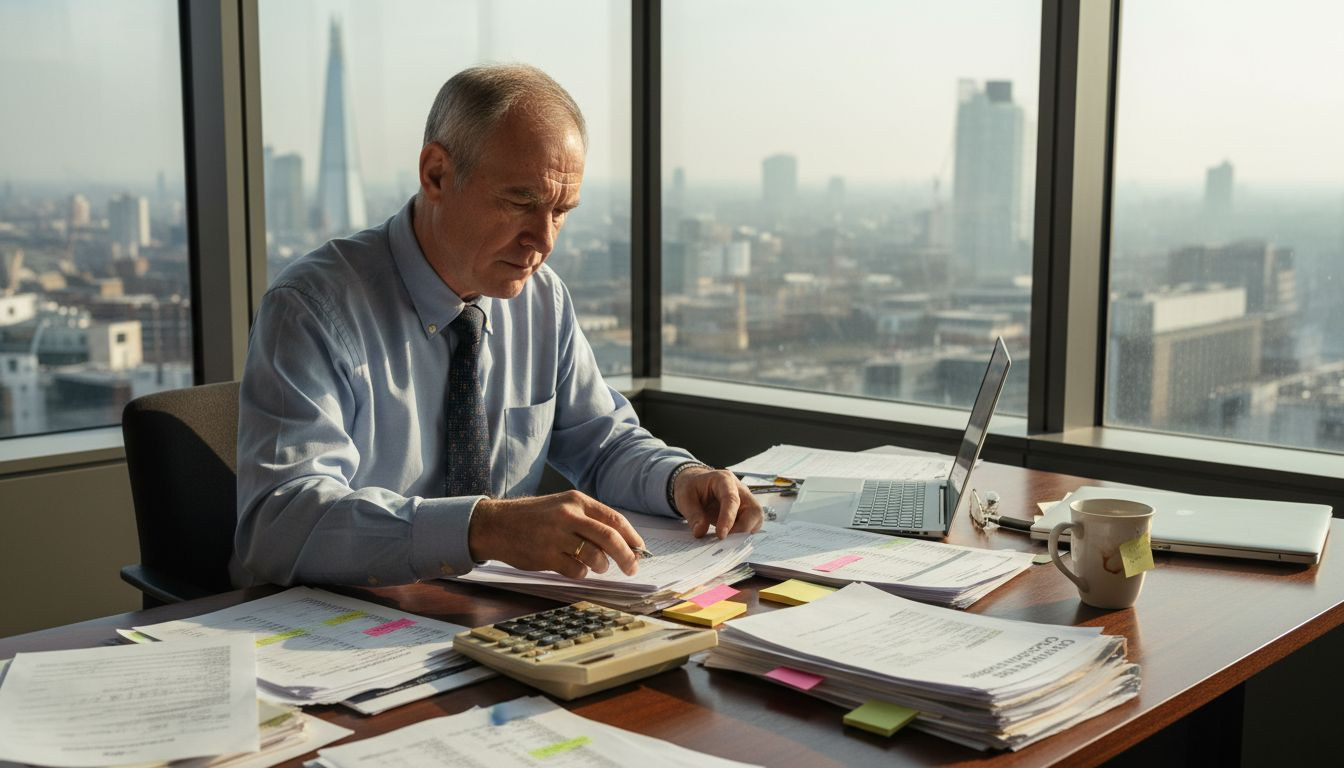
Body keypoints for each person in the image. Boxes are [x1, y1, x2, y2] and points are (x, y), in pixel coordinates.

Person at [231, 64, 761, 588]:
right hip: (344, 630)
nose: (544, 239)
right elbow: (280, 524)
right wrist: (481, 528)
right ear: (436, 174)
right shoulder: (313, 308)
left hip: (493, 614)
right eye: (521, 202)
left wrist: (680, 479)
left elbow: (602, 444)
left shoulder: (541, 297)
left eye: (561, 211)